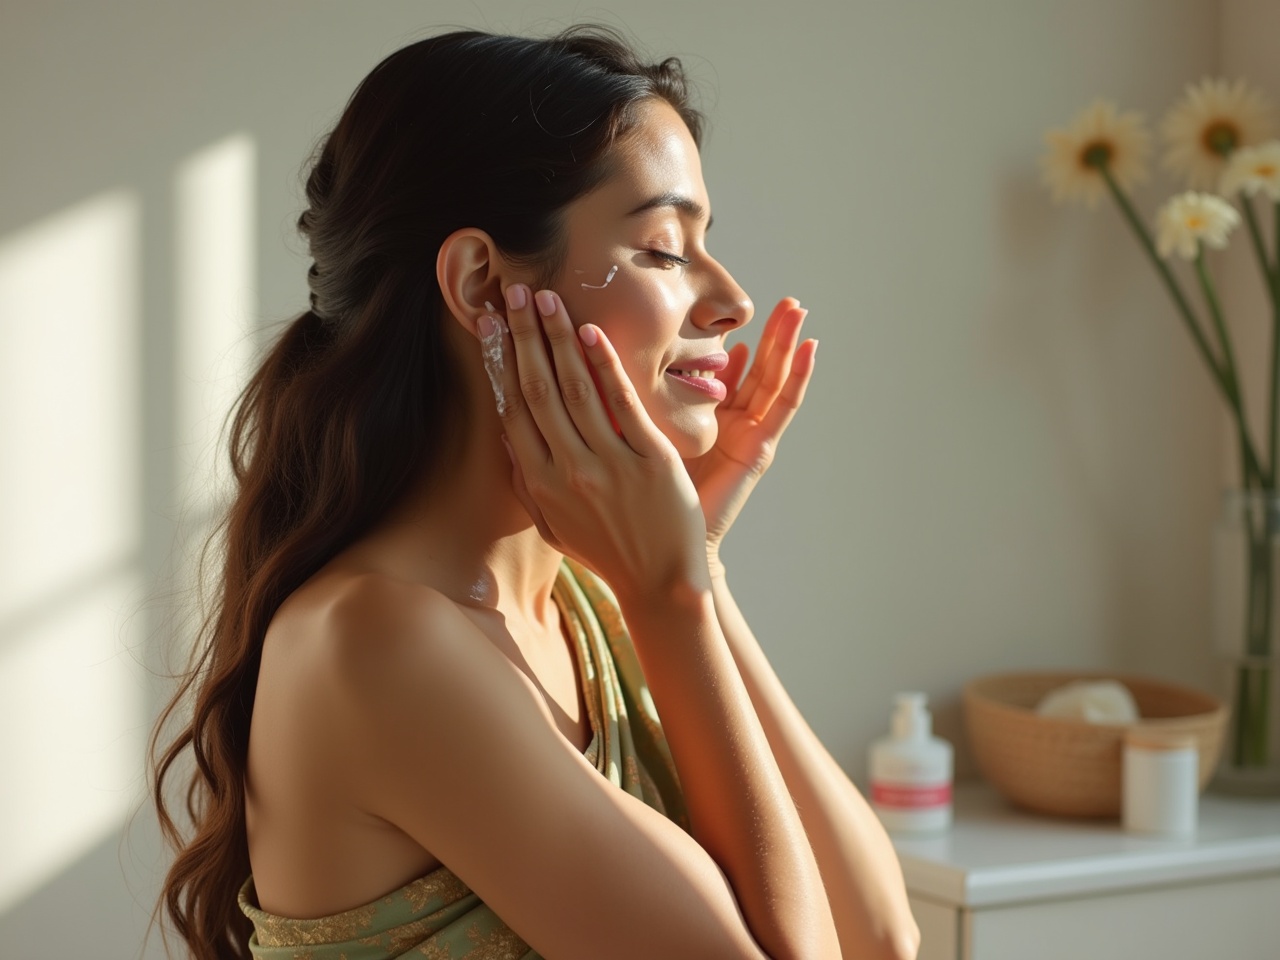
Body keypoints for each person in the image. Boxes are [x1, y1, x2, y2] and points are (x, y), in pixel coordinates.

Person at [149, 25, 919, 960]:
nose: (731, 301)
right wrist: (672, 600)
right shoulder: (372, 644)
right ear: (482, 283)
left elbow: (881, 938)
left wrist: (698, 575)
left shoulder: (588, 602)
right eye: (666, 250)